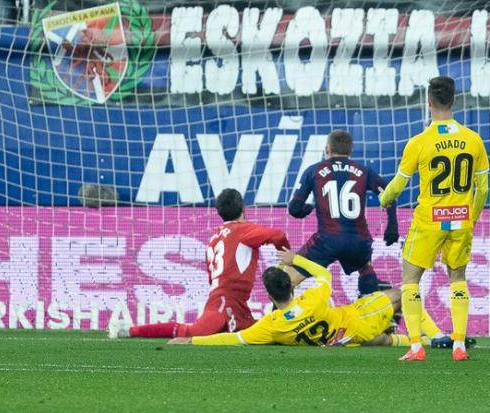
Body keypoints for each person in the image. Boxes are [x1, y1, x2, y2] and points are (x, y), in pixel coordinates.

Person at [379, 76, 489, 362]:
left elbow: (398, 185)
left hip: (429, 221)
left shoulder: (419, 142)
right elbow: (484, 188)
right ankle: (459, 345)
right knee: (458, 278)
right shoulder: (473, 139)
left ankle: (416, 347)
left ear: (428, 102)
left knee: (411, 280)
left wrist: (383, 198)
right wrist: (472, 217)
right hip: (461, 219)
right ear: (454, 101)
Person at [109, 188, 290, 340]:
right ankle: (131, 330)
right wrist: (286, 260)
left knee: (268, 335)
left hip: (232, 300)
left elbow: (212, 275)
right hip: (225, 299)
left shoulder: (214, 237)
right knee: (195, 333)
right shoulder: (243, 230)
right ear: (244, 208)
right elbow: (278, 235)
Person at [171, 249, 436, 347]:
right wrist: (295, 259)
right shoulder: (313, 299)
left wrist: (193, 340)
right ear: (291, 285)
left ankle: (419, 340)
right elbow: (324, 273)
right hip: (357, 321)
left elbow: (232, 339)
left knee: (379, 340)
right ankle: (436, 338)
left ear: (272, 297)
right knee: (403, 293)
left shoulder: (272, 326)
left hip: (346, 341)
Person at [288, 130, 398, 297]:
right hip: (358, 241)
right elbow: (390, 194)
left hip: (327, 241)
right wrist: (392, 226)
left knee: (287, 280)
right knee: (364, 267)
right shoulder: (364, 171)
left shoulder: (314, 171)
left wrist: (307, 210)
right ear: (351, 150)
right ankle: (375, 315)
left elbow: (294, 209)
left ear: (327, 149)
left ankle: (279, 321)